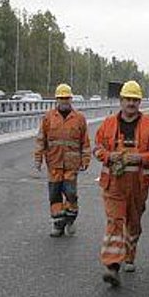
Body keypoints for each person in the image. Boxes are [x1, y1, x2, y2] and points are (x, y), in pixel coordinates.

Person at [92, 80, 149, 286]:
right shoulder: (108, 124)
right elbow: (97, 148)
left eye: (134, 100)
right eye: (127, 99)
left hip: (139, 184)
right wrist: (108, 156)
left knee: (133, 223)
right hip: (114, 183)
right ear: (121, 101)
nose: (131, 103)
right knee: (115, 222)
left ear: (139, 102)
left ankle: (129, 254)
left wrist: (141, 158)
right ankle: (112, 265)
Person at [34, 83, 90, 237]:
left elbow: (84, 142)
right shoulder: (48, 118)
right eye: (61, 99)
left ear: (71, 99)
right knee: (55, 195)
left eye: (66, 98)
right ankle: (58, 224)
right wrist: (38, 159)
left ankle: (70, 219)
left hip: (72, 165)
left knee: (71, 194)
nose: (64, 101)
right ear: (56, 100)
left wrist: (85, 159)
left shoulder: (79, 118)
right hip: (54, 164)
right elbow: (41, 140)